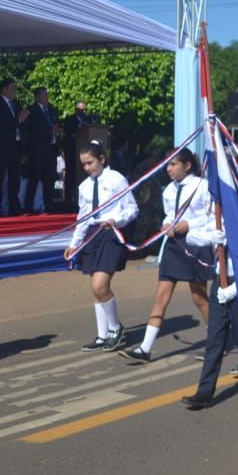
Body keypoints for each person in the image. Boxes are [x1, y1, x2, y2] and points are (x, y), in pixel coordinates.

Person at [124, 148, 214, 362]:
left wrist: (188, 225)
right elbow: (169, 214)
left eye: (173, 164)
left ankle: (215, 341)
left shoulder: (202, 186)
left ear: (187, 165)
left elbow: (212, 216)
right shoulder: (168, 191)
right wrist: (167, 224)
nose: (169, 168)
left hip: (196, 243)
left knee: (199, 298)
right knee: (161, 296)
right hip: (174, 245)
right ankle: (145, 348)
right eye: (167, 164)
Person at [180, 208, 238, 409]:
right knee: (214, 339)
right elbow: (192, 237)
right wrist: (213, 237)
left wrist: (236, 288)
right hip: (219, 284)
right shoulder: (217, 222)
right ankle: (205, 392)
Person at [64, 141, 138, 352]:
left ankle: (115, 328)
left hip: (110, 234)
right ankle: (102, 334)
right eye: (84, 164)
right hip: (92, 235)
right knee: (96, 290)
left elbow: (132, 208)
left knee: (100, 285)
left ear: (102, 159)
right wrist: (74, 243)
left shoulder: (116, 179)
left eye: (91, 162)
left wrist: (117, 220)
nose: (88, 168)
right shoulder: (84, 186)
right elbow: (83, 217)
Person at [0, 77, 27, 217]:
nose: (15, 92)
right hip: (2, 145)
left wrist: (21, 120)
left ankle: (14, 206)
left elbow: (19, 123)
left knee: (15, 177)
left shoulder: (16, 104)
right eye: (12, 88)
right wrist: (18, 119)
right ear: (4, 89)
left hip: (16, 144)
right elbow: (0, 124)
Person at [23, 87, 60, 213]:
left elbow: (56, 123)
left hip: (51, 149)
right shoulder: (31, 110)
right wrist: (49, 130)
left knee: (49, 179)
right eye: (44, 95)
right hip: (37, 150)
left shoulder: (51, 109)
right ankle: (28, 206)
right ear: (37, 97)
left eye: (47, 95)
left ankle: (48, 205)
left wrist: (57, 129)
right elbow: (31, 129)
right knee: (34, 179)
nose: (46, 98)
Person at [62, 101, 93, 209]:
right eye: (82, 110)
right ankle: (68, 197)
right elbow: (68, 134)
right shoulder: (69, 120)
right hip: (72, 151)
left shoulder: (88, 120)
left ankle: (81, 197)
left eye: (85, 110)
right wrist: (80, 129)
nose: (84, 112)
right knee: (70, 174)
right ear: (76, 110)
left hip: (84, 152)